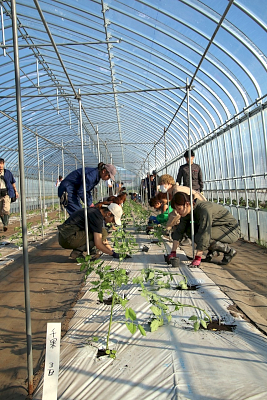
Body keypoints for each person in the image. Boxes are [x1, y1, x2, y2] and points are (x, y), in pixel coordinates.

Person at [167, 192, 240, 265]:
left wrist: (197, 257)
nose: (178, 212)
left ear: (187, 204)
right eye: (176, 210)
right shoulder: (187, 212)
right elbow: (180, 230)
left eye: (179, 209)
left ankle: (229, 251)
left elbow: (205, 231)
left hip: (230, 230)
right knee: (189, 230)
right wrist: (173, 252)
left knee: (200, 236)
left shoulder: (203, 209)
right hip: (216, 227)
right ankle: (213, 251)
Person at [57, 202, 123, 259]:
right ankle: (77, 252)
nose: (113, 222)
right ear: (108, 214)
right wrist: (113, 254)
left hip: (65, 236)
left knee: (102, 233)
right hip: (68, 238)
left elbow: (104, 241)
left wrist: (112, 251)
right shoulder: (97, 217)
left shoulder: (95, 211)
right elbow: (99, 244)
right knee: (103, 233)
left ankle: (88, 250)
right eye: (113, 220)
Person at [0, 158, 19, 232]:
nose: (0, 165)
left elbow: (12, 182)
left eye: (1, 163)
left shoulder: (7, 173)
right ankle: (4, 222)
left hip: (6, 193)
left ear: (3, 164)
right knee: (0, 212)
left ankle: (5, 224)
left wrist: (15, 191)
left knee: (6, 209)